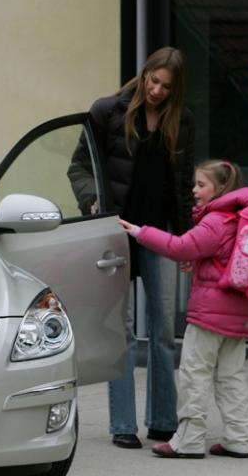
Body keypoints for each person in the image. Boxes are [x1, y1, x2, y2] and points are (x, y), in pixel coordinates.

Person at [69, 46, 195, 449]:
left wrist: (189, 239)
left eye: (165, 86)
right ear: (143, 75)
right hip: (115, 233)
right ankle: (122, 425)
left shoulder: (183, 121)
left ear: (176, 90)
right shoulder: (107, 110)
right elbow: (79, 166)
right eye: (152, 80)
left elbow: (185, 181)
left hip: (160, 235)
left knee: (163, 331)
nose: (156, 90)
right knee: (120, 331)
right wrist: (93, 202)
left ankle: (162, 421)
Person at [119, 160, 248, 458]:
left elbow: (179, 247)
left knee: (194, 374)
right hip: (238, 312)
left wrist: (140, 231)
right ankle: (238, 438)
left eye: (201, 185)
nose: (194, 190)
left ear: (220, 188)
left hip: (209, 313)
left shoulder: (216, 220)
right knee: (231, 376)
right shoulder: (241, 219)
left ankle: (189, 439)